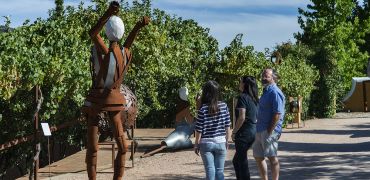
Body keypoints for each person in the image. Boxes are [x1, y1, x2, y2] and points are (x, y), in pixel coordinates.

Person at [82, 1, 149, 180]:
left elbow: (92, 33)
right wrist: (137, 27)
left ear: (107, 32)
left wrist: (107, 13)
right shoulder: (124, 54)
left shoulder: (104, 51)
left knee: (93, 146)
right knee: (122, 145)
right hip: (114, 101)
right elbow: (128, 43)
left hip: (96, 100)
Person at [194, 80, 231, 180]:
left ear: (206, 93)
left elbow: (199, 129)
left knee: (210, 170)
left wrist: (196, 144)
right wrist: (227, 140)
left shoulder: (203, 109)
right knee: (220, 171)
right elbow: (228, 125)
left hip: (206, 144)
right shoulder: (224, 106)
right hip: (221, 142)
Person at [253, 68, 285, 180]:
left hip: (268, 130)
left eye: (266, 76)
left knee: (272, 157)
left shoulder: (275, 92)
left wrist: (269, 130)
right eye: (263, 75)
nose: (263, 78)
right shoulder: (266, 91)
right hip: (259, 129)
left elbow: (277, 113)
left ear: (273, 78)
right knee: (258, 156)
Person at [232, 76, 259, 180]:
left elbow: (241, 117)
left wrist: (234, 131)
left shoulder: (242, 97)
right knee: (236, 161)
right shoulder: (256, 99)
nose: (239, 84)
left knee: (242, 161)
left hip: (244, 133)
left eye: (240, 82)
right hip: (253, 131)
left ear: (244, 84)